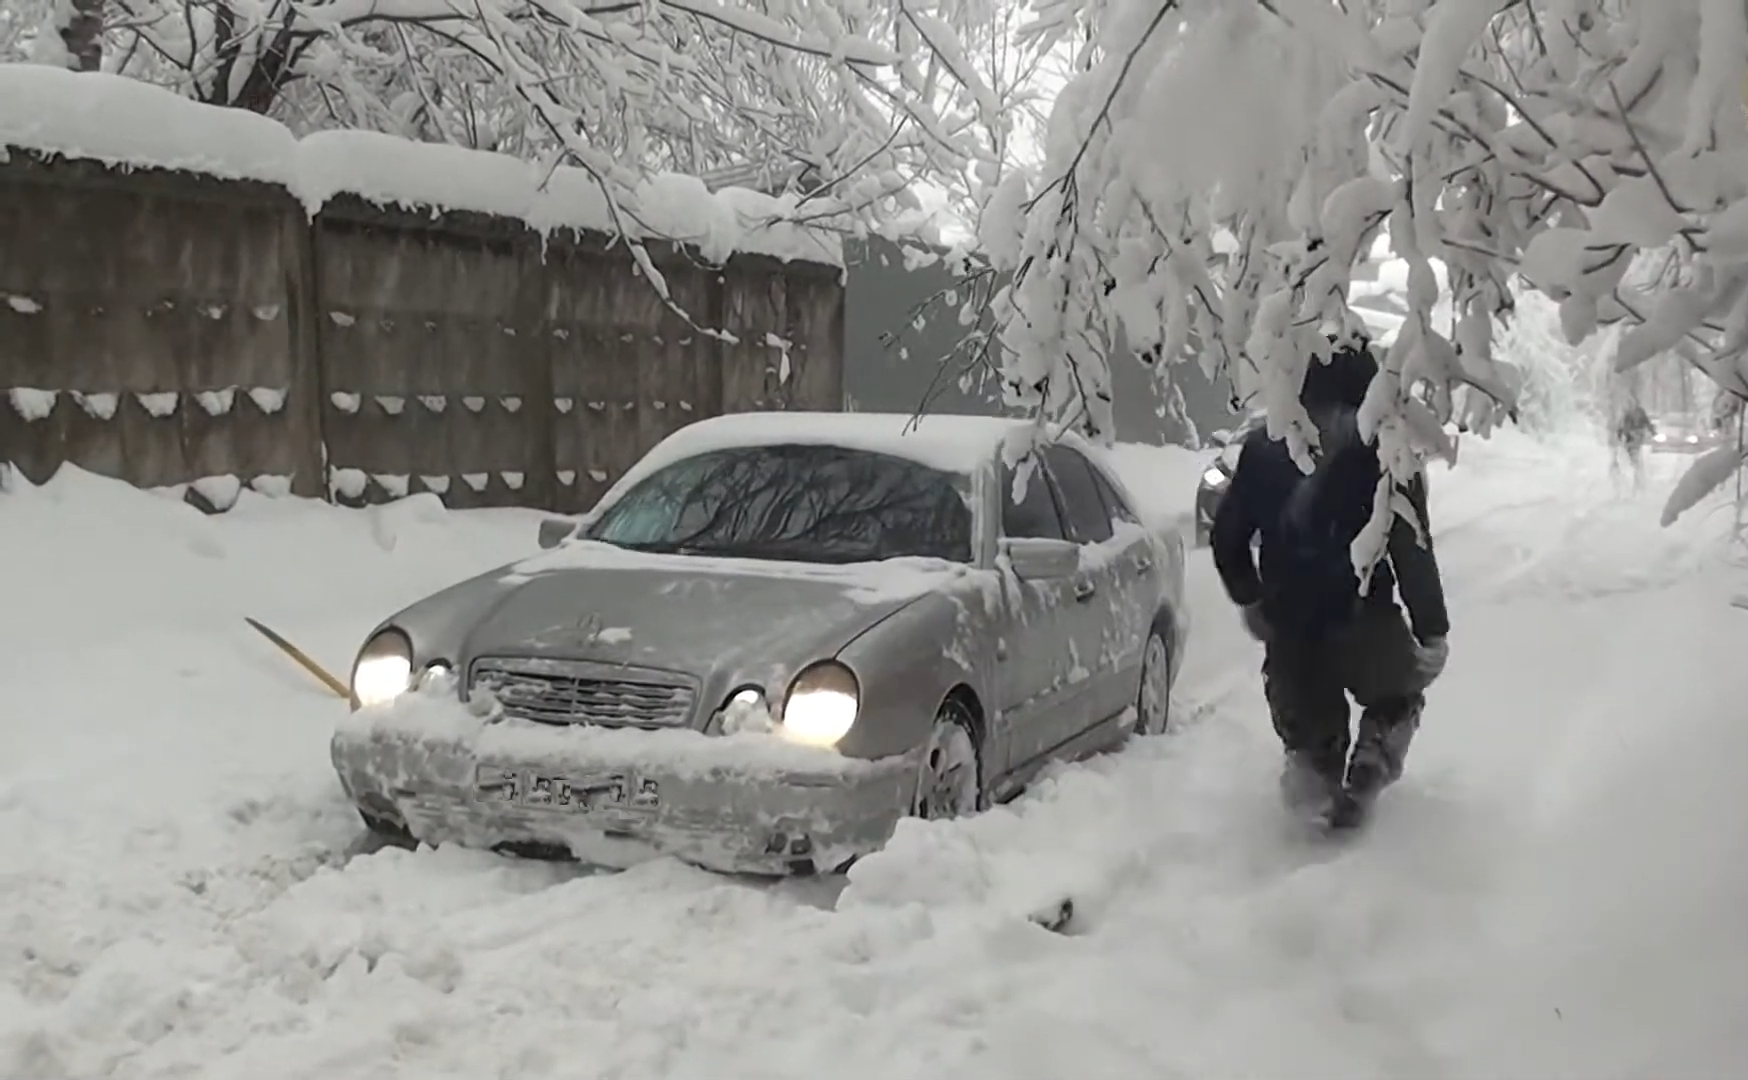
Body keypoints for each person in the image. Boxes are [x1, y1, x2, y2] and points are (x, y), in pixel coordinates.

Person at [1210, 344, 1450, 827]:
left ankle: (1293, 848)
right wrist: (1432, 630)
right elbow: (1411, 544)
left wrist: (1251, 597)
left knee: (1309, 758)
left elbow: (1226, 536)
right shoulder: (1387, 452)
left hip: (1292, 634)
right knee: (1398, 696)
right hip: (1366, 623)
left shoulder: (1262, 448)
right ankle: (1370, 765)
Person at [1614, 401, 1654, 489]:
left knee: (1634, 458)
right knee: (1635, 457)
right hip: (1635, 437)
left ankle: (1637, 480)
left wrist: (1621, 435)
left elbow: (1623, 427)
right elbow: (1647, 423)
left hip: (1632, 437)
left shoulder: (1629, 414)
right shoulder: (1636, 412)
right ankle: (1638, 479)